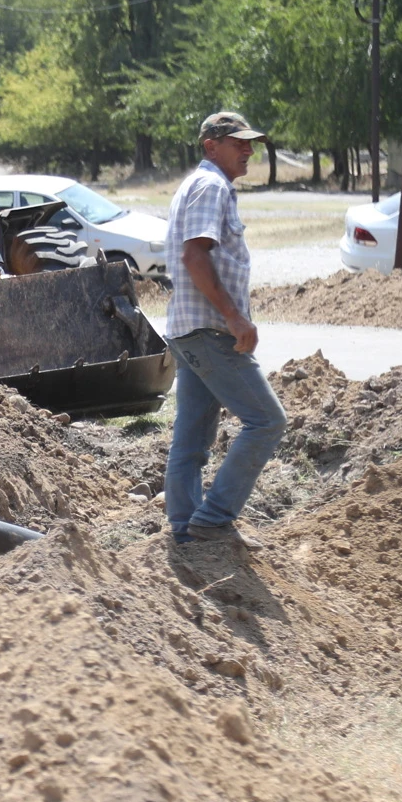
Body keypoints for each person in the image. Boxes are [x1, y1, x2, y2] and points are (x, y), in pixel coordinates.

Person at [161, 112, 286, 550]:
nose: (249, 150)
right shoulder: (211, 186)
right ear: (211, 145)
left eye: (251, 143)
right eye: (239, 143)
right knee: (267, 421)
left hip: (191, 327)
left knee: (192, 436)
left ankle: (185, 532)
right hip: (209, 330)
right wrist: (235, 317)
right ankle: (212, 520)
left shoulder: (203, 185)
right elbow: (196, 256)